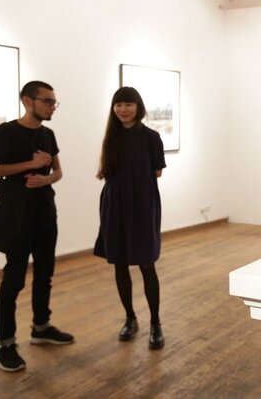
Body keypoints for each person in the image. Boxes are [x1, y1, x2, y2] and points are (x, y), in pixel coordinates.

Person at [0, 81, 74, 372]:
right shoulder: (7, 132)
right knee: (14, 279)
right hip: (17, 215)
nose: (52, 107)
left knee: (45, 274)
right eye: (47, 101)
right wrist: (29, 165)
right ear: (27, 101)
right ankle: (5, 344)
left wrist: (46, 179)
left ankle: (41, 327)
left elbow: (58, 171)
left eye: (54, 102)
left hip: (45, 212)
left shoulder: (48, 134)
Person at [94, 87, 166, 350]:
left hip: (143, 204)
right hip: (114, 205)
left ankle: (155, 323)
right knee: (120, 263)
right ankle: (130, 318)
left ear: (138, 107)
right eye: (118, 105)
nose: (123, 109)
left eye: (128, 104)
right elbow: (107, 171)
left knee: (147, 264)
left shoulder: (151, 137)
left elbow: (157, 171)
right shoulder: (111, 138)